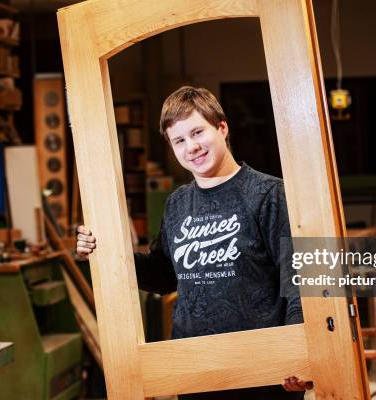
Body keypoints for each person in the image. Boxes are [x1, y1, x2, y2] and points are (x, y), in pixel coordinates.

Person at [77, 86, 312, 399]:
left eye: (198, 132)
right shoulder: (178, 204)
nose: (192, 147)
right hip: (195, 369)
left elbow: (298, 281)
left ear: (222, 128)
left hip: (263, 372)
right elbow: (163, 276)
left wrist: (300, 354)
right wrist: (102, 252)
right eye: (180, 140)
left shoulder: (269, 194)